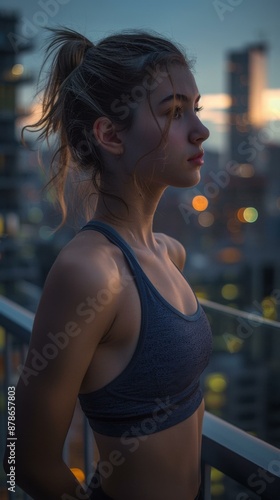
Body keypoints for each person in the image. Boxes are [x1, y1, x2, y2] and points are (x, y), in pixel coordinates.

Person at [3, 27, 212, 500]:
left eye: (195, 109)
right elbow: (19, 455)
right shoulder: (91, 271)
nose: (200, 129)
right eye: (175, 111)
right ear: (110, 134)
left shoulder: (168, 252)